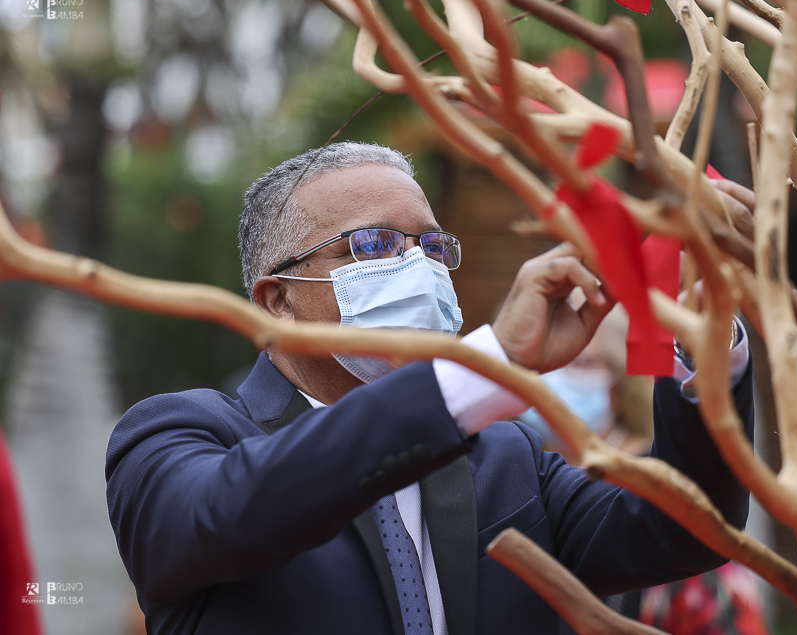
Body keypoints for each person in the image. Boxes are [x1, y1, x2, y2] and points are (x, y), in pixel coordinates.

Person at [105, 142, 756, 635]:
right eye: (376, 243)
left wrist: (705, 334)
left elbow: (685, 529)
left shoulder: (506, 458)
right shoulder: (175, 440)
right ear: (279, 301)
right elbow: (241, 510)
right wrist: (495, 360)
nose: (418, 266)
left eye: (434, 246)